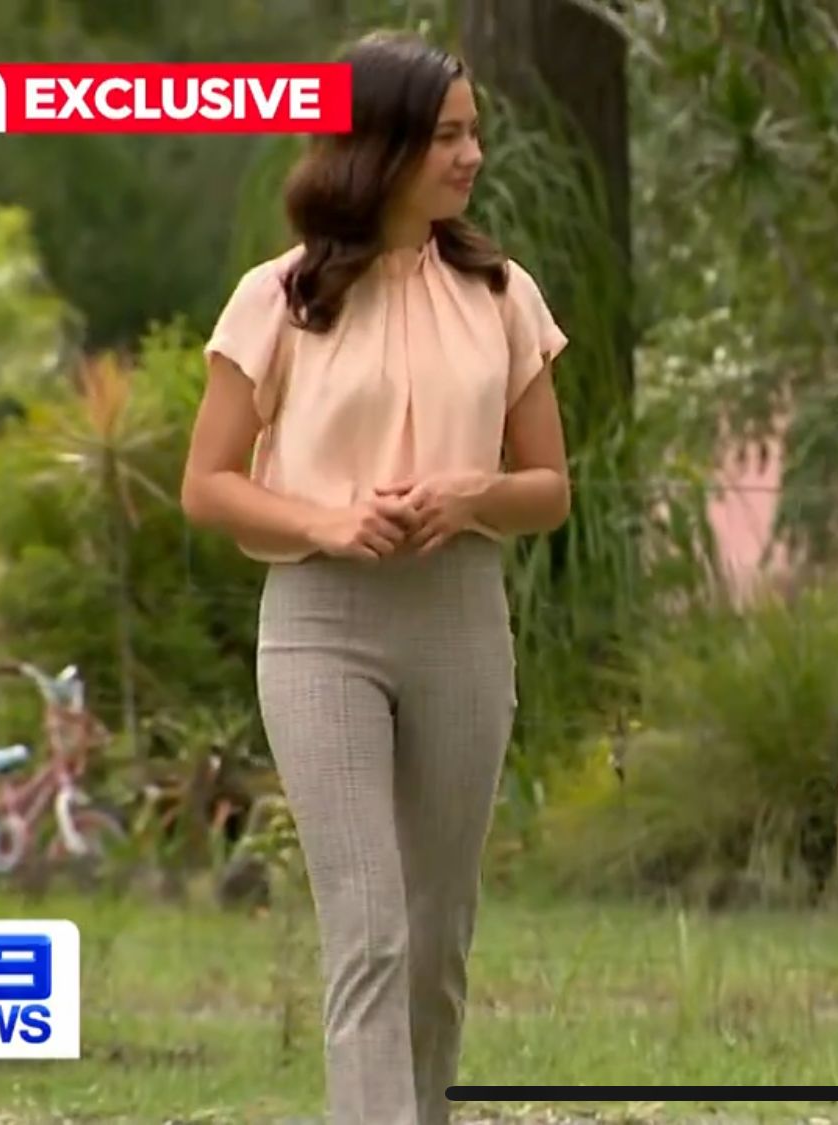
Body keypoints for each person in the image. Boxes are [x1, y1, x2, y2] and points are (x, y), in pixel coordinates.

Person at [179, 30, 570, 1125]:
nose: (471, 155)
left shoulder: (502, 295)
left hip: (460, 618)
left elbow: (549, 487)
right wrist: (327, 519)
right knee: (369, 928)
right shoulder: (279, 297)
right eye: (446, 136)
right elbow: (208, 484)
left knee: (437, 935)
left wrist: (472, 495)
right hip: (322, 623)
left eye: (474, 133)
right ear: (379, 145)